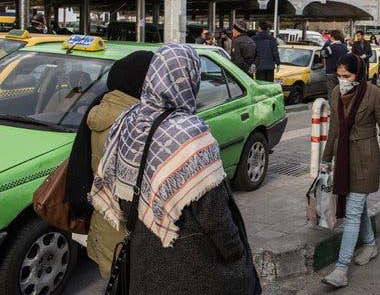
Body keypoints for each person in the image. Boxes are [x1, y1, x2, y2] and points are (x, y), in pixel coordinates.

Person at [90, 44, 261, 294]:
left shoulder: (127, 121)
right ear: (188, 78)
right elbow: (214, 216)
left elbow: (115, 185)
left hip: (144, 257)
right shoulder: (190, 134)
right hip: (193, 265)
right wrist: (236, 252)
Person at [64, 51, 154, 279]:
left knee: (114, 278)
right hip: (131, 231)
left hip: (106, 224)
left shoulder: (102, 107)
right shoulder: (139, 124)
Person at [320, 53, 380, 289]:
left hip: (365, 159)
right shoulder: (336, 93)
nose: (342, 80)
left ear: (358, 73)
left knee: (353, 210)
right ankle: (370, 244)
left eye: (346, 76)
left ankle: (340, 269)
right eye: (338, 76)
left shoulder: (374, 94)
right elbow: (335, 129)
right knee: (359, 206)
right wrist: (326, 159)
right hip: (344, 159)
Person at [322, 30, 348, 101]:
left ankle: (333, 109)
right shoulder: (344, 47)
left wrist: (327, 43)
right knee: (341, 91)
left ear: (332, 37)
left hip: (331, 72)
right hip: (342, 72)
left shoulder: (330, 47)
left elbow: (322, 54)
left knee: (332, 92)